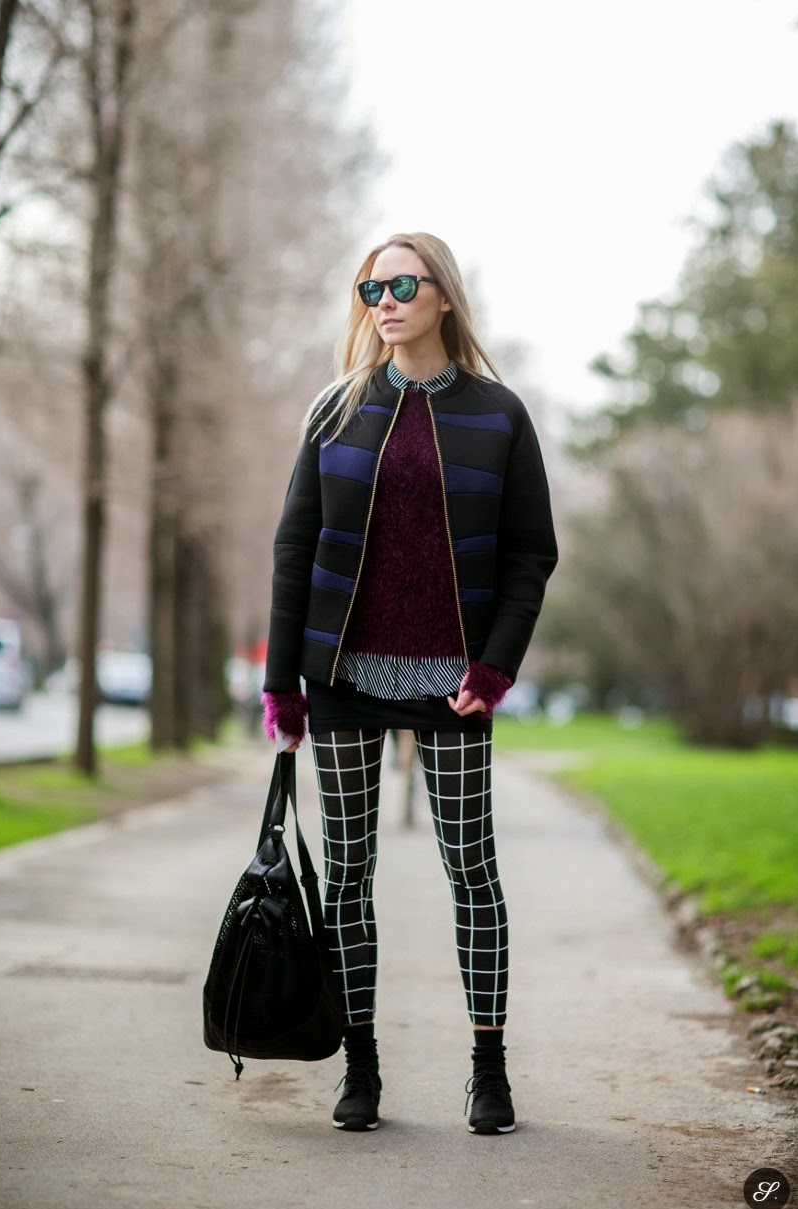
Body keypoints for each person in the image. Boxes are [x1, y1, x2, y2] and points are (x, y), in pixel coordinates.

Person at [262, 231, 558, 1135]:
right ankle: (361, 1070)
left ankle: (489, 1071)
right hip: (345, 678)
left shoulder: (498, 415)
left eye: (401, 286)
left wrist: (495, 666)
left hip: (453, 685)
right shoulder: (336, 410)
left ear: (443, 297)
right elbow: (294, 549)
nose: (384, 303)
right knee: (348, 875)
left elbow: (531, 554)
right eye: (370, 289)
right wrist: (283, 685)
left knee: (473, 871)